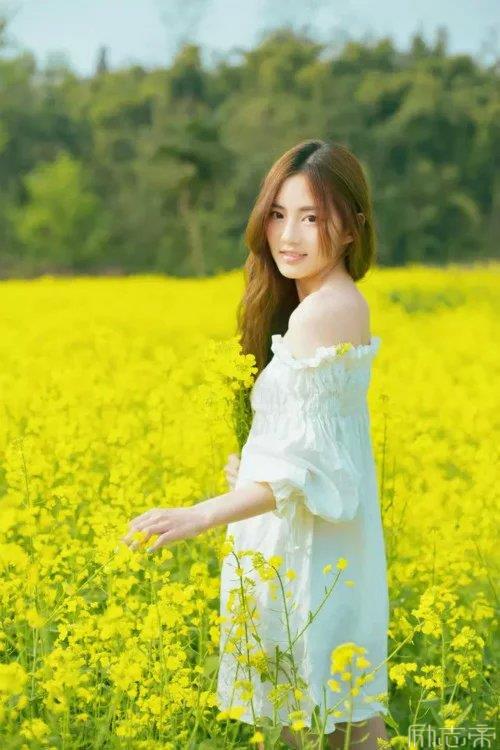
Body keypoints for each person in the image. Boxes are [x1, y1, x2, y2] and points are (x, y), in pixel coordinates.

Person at [122, 139, 390, 749]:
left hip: (310, 552)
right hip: (310, 539)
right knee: (344, 722)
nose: (288, 236)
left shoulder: (324, 312)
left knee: (321, 726)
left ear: (352, 228)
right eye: (278, 214)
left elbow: (316, 468)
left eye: (312, 217)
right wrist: (253, 465)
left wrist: (199, 515)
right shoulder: (320, 304)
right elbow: (308, 447)